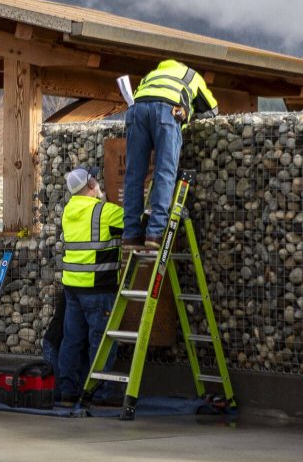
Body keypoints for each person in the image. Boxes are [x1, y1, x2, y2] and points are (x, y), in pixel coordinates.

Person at [122, 59, 218, 249]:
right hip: (168, 111)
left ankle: (131, 235)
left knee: (133, 174)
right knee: (164, 173)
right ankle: (155, 234)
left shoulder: (150, 76)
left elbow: (136, 97)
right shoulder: (191, 75)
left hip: (136, 111)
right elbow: (213, 109)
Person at [57, 166, 124, 406]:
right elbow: (137, 222)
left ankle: (68, 392)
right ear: (92, 185)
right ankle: (101, 394)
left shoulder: (67, 212)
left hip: (73, 288)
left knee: (72, 340)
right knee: (101, 342)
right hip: (99, 289)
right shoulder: (106, 212)